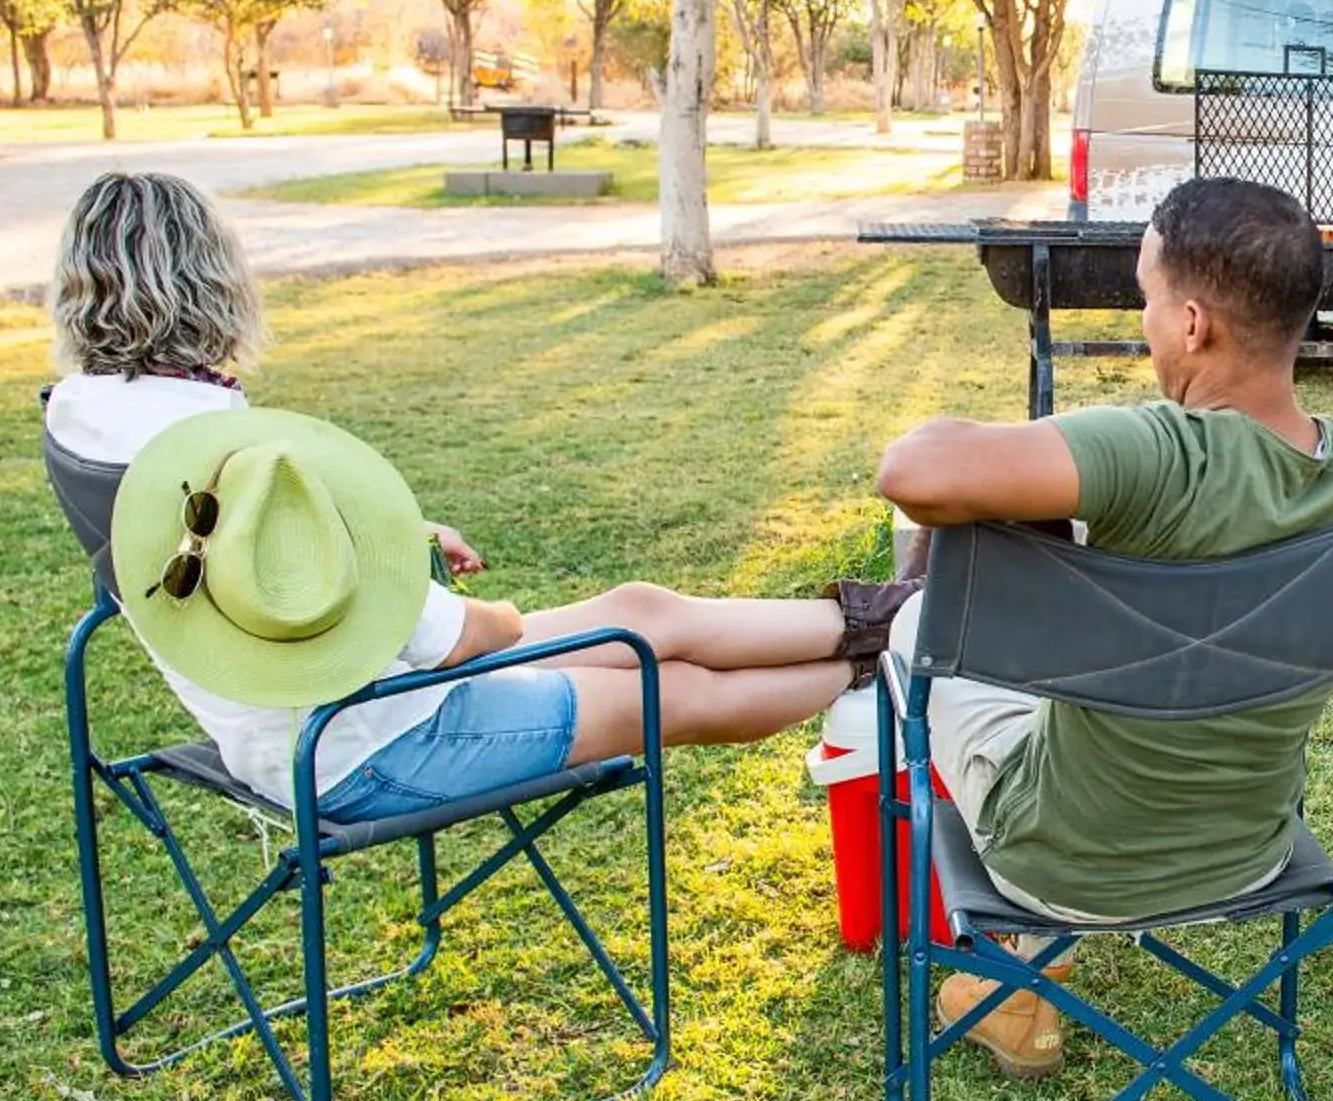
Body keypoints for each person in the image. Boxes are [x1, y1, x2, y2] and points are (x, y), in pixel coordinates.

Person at [45, 170, 912, 819]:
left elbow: (232, 554)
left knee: (639, 609)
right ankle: (898, 657)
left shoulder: (86, 420)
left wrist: (387, 534)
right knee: (667, 685)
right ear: (210, 280)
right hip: (369, 740)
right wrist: (479, 612)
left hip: (322, 704)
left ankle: (894, 623)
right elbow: (457, 637)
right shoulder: (221, 446)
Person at [873, 176, 1333, 1079]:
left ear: (1194, 323)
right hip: (1250, 857)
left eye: (1148, 299)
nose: (1148, 321)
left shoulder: (1153, 451)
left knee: (917, 629)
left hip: (1056, 869)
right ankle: (1017, 987)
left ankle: (1017, 977)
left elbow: (914, 470)